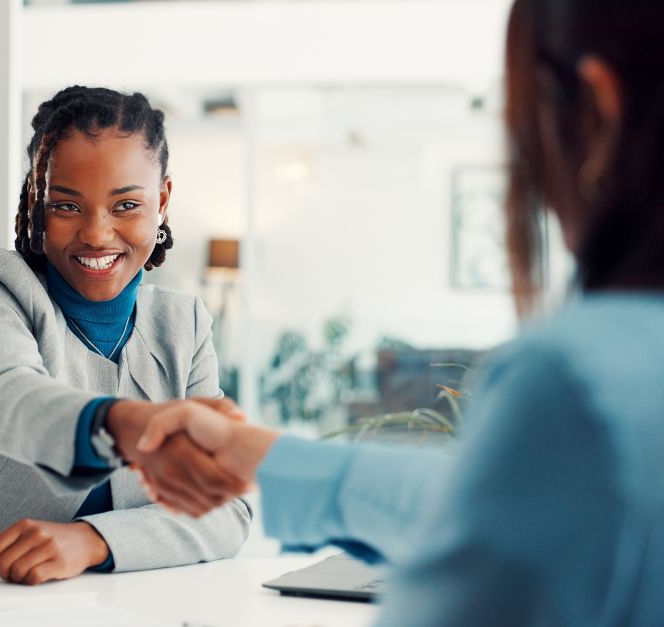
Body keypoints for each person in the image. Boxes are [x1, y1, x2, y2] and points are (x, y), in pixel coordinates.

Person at [132, 0, 664, 624]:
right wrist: (262, 453)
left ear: (598, 111)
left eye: (521, 115)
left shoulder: (571, 384)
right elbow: (492, 504)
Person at [0, 86, 251, 585]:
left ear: (162, 200)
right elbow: (10, 401)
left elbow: (225, 509)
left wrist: (93, 541)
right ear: (38, 203)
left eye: (125, 205)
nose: (97, 234)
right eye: (67, 206)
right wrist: (126, 426)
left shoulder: (183, 325)